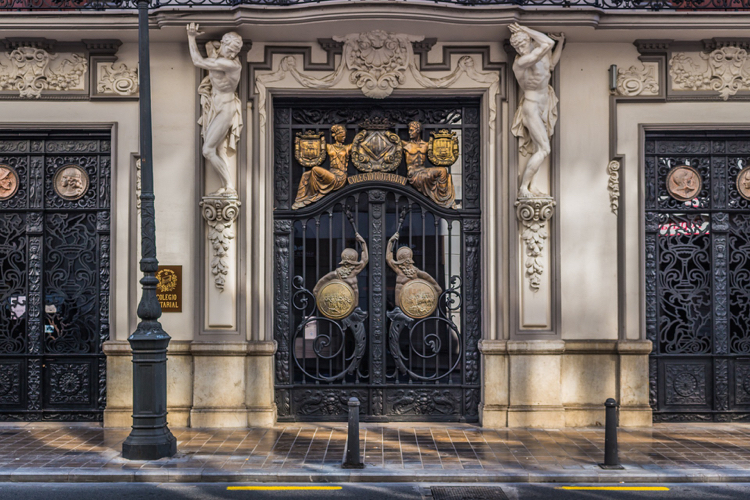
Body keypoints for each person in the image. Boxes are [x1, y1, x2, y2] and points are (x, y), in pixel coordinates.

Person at [509, 23, 564, 198]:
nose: (520, 48)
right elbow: (547, 43)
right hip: (531, 106)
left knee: (538, 148)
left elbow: (551, 65)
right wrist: (525, 30)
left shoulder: (541, 55)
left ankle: (532, 186)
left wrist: (561, 42)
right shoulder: (522, 61)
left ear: (530, 42)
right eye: (516, 46)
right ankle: (523, 188)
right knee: (544, 149)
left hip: (544, 105)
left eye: (522, 44)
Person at [187, 23, 243, 196]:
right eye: (231, 49)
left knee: (207, 150)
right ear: (224, 44)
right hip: (215, 107)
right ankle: (226, 187)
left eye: (236, 52)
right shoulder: (220, 58)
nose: (233, 54)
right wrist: (214, 46)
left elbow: (197, 61)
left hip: (226, 109)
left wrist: (191, 36)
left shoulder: (231, 64)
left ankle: (230, 187)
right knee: (219, 149)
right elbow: (210, 46)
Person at [293, 124, 351, 209]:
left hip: (339, 178)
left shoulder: (346, 148)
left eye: (345, 136)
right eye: (342, 136)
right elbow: (316, 145)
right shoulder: (329, 146)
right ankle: (300, 199)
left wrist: (363, 134)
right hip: (331, 174)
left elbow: (357, 143)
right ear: (336, 136)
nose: (344, 138)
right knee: (305, 175)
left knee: (315, 169)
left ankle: (312, 194)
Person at [402, 121, 456, 208]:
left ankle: (443, 199)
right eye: (409, 130)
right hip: (413, 173)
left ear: (418, 130)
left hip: (423, 170)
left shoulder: (426, 145)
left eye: (412, 130)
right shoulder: (405, 144)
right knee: (428, 174)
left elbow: (436, 156)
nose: (409, 133)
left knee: (443, 170)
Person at [386, 232, 441, 308]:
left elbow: (438, 288)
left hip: (410, 306)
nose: (403, 264)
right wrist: (390, 242)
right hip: (397, 307)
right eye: (402, 262)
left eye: (405, 261)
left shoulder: (417, 272)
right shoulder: (399, 270)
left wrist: (430, 300)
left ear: (409, 260)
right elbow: (389, 259)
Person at [313, 233, 368, 299]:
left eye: (352, 264)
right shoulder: (336, 273)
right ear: (344, 263)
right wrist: (319, 298)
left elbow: (365, 259)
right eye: (349, 263)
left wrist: (363, 242)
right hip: (343, 304)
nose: (351, 265)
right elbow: (319, 285)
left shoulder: (355, 270)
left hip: (354, 303)